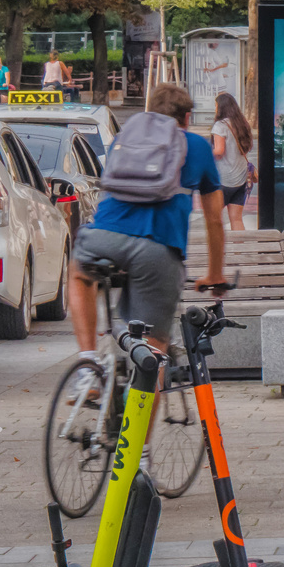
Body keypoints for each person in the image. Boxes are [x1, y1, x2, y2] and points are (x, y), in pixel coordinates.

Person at [68, 83, 225, 383]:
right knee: (154, 361)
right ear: (187, 117)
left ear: (149, 113)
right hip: (157, 251)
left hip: (101, 239)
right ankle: (136, 420)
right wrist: (215, 275)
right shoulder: (197, 146)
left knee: (79, 273)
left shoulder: (123, 140)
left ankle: (86, 366)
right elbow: (215, 220)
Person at [211, 91, 253, 232]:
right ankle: (240, 251)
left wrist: (205, 154)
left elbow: (219, 151)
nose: (215, 109)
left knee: (213, 218)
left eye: (216, 106)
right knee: (236, 219)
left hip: (224, 180)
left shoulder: (220, 126)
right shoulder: (241, 124)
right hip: (241, 179)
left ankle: (217, 252)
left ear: (221, 107)